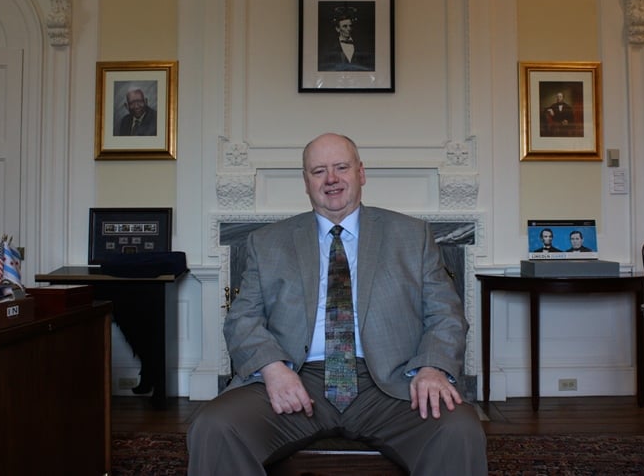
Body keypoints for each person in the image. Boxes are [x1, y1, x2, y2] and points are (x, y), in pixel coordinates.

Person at [187, 133, 487, 475]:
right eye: (319, 171)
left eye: (341, 167)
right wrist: (273, 369)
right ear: (306, 181)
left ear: (361, 173)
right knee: (214, 426)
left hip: (391, 384)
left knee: (458, 429)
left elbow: (446, 314)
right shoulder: (267, 242)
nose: (331, 179)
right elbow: (241, 319)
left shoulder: (411, 235)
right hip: (297, 379)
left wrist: (432, 368)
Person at [318, 7, 375, 72]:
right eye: (345, 26)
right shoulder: (330, 48)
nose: (349, 29)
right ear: (337, 29)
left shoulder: (361, 46)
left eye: (350, 26)